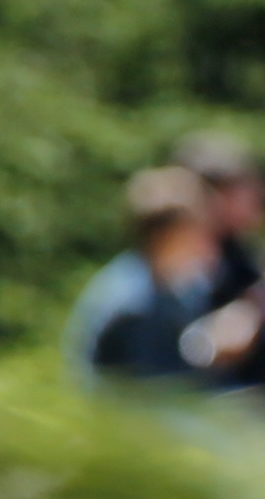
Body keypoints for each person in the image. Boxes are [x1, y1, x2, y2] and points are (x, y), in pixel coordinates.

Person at [180, 137, 265, 421]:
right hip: (224, 410)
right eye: (249, 190)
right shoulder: (185, 264)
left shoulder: (252, 258)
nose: (263, 197)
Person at [63, 162, 221, 388]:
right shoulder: (131, 304)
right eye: (202, 229)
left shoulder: (179, 287)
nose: (209, 242)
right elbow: (148, 394)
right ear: (170, 236)